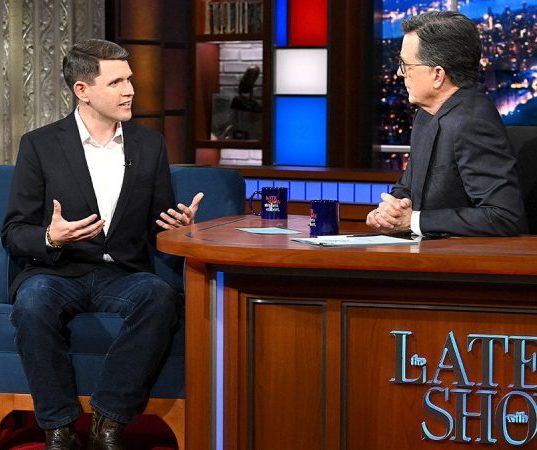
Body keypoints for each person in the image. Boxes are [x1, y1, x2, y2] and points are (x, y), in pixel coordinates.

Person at [1, 39, 203, 450]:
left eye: (129, 80)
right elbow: (14, 231)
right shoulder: (40, 144)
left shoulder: (149, 145)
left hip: (122, 274)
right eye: (116, 82)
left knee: (160, 297)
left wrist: (179, 227)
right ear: (83, 90)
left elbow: (158, 226)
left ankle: (108, 421)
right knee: (33, 301)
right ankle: (58, 429)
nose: (130, 91)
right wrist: (51, 236)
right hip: (57, 271)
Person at [366, 11, 527, 237]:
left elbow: (504, 217)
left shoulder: (472, 121)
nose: (400, 73)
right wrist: (390, 212)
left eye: (406, 65)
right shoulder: (425, 115)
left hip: (465, 256)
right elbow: (408, 187)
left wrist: (413, 220)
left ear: (438, 75)